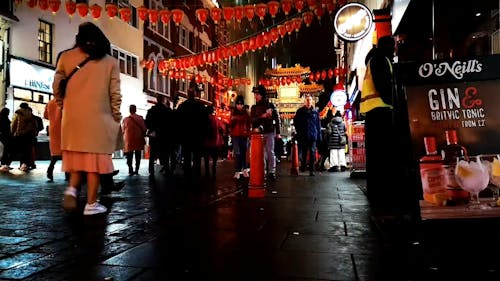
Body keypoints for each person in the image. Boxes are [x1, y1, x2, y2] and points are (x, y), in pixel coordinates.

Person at [53, 22, 122, 216]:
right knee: (94, 165)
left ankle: (72, 190)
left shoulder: (66, 57)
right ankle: (91, 204)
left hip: (72, 119)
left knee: (77, 160)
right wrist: (115, 115)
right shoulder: (110, 62)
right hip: (99, 119)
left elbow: (57, 85)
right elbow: (114, 94)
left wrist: (63, 105)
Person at [361, 35, 399, 213]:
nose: (395, 49)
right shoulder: (381, 60)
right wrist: (395, 101)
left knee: (376, 154)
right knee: (383, 153)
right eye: (394, 45)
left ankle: (377, 192)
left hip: (373, 111)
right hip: (381, 111)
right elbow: (385, 86)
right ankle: (382, 194)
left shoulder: (374, 60)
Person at [176, 85, 211, 177]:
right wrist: (205, 134)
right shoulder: (200, 106)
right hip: (197, 136)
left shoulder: (182, 106)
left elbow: (178, 122)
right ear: (195, 94)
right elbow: (206, 121)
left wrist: (179, 135)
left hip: (186, 136)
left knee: (187, 156)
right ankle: (197, 173)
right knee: (197, 156)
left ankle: (187, 173)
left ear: (187, 95)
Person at [250, 85, 281, 180]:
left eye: (257, 94)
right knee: (261, 153)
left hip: (269, 131)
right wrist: (262, 116)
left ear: (262, 95)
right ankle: (262, 171)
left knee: (270, 152)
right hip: (258, 134)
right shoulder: (254, 107)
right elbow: (252, 120)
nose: (255, 96)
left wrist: (278, 133)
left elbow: (276, 118)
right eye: (255, 94)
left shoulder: (270, 105)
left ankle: (272, 171)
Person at [293, 94, 322, 176]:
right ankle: (303, 166)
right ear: (304, 102)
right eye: (307, 100)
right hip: (303, 135)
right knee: (304, 152)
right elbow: (296, 122)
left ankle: (311, 170)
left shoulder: (315, 112)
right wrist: (299, 131)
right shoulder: (300, 111)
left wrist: (319, 136)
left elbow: (318, 125)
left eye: (310, 100)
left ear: (312, 101)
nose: (309, 101)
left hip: (313, 135)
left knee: (312, 152)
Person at [145, 94, 174, 176]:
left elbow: (147, 122)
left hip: (154, 135)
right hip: (164, 135)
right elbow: (170, 124)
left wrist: (152, 129)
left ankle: (151, 170)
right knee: (165, 153)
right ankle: (167, 168)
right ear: (163, 100)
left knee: (153, 153)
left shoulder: (151, 110)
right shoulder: (167, 111)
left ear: (157, 100)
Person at [44, 97, 68, 182]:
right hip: (65, 128)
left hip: (53, 128)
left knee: (55, 153)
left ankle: (50, 170)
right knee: (66, 152)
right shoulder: (66, 101)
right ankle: (67, 173)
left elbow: (45, 116)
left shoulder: (50, 103)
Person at [11, 102, 38, 172]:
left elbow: (14, 124)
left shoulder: (17, 114)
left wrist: (13, 133)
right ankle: (26, 165)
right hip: (28, 135)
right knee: (27, 151)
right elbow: (35, 125)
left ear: (20, 107)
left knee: (21, 150)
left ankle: (22, 165)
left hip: (19, 135)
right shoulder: (31, 115)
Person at [229, 95, 251, 179]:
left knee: (243, 153)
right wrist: (233, 120)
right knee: (237, 153)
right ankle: (238, 171)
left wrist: (249, 134)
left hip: (244, 135)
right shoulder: (233, 113)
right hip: (235, 135)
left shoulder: (246, 113)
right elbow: (230, 125)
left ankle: (244, 169)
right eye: (238, 104)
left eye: (241, 104)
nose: (239, 106)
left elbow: (249, 125)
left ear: (243, 105)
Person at [122, 104, 147, 176]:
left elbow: (123, 130)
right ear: (135, 110)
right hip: (138, 138)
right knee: (138, 155)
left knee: (129, 155)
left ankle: (130, 169)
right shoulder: (140, 118)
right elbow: (144, 129)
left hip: (128, 139)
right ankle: (137, 169)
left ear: (129, 110)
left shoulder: (125, 119)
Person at [203, 105, 224, 177]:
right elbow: (222, 128)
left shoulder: (203, 119)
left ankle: (207, 171)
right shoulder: (216, 119)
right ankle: (214, 169)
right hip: (215, 142)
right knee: (214, 157)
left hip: (205, 142)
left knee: (206, 158)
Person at [0, 107, 13, 172]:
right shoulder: (4, 118)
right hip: (5, 136)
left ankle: (3, 164)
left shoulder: (2, 117)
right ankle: (4, 164)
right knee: (6, 150)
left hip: (3, 136)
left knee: (5, 150)